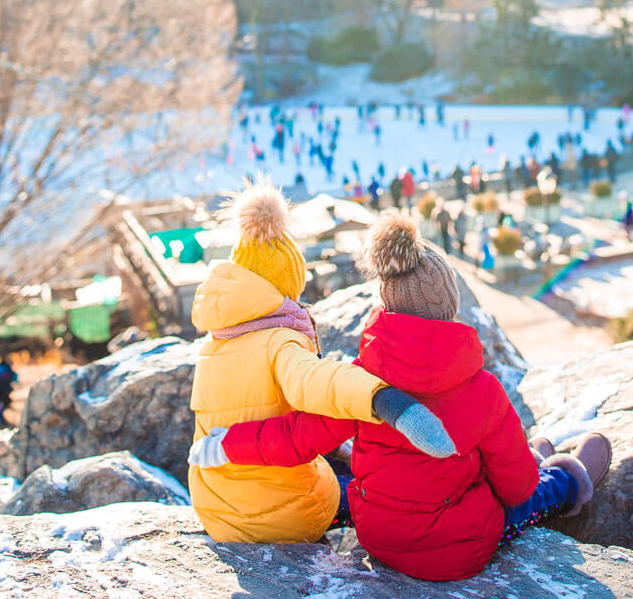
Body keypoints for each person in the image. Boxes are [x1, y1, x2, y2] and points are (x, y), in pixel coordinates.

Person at [191, 214, 611, 583]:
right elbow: (517, 490)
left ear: (386, 307)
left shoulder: (360, 385)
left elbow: (294, 438)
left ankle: (536, 458)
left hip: (378, 539)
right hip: (457, 552)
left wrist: (224, 444)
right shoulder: (482, 390)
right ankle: (571, 481)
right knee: (525, 498)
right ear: (450, 309)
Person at [187, 179, 454, 543]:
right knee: (363, 490)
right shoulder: (279, 341)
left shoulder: (214, 341)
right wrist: (383, 398)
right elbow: (314, 382)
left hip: (215, 506)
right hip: (279, 515)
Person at [0, 355, 17, 425]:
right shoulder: (7, 368)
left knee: (0, 403)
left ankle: (1, 419)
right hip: (3, 389)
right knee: (2, 403)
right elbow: (14, 377)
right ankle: (1, 419)